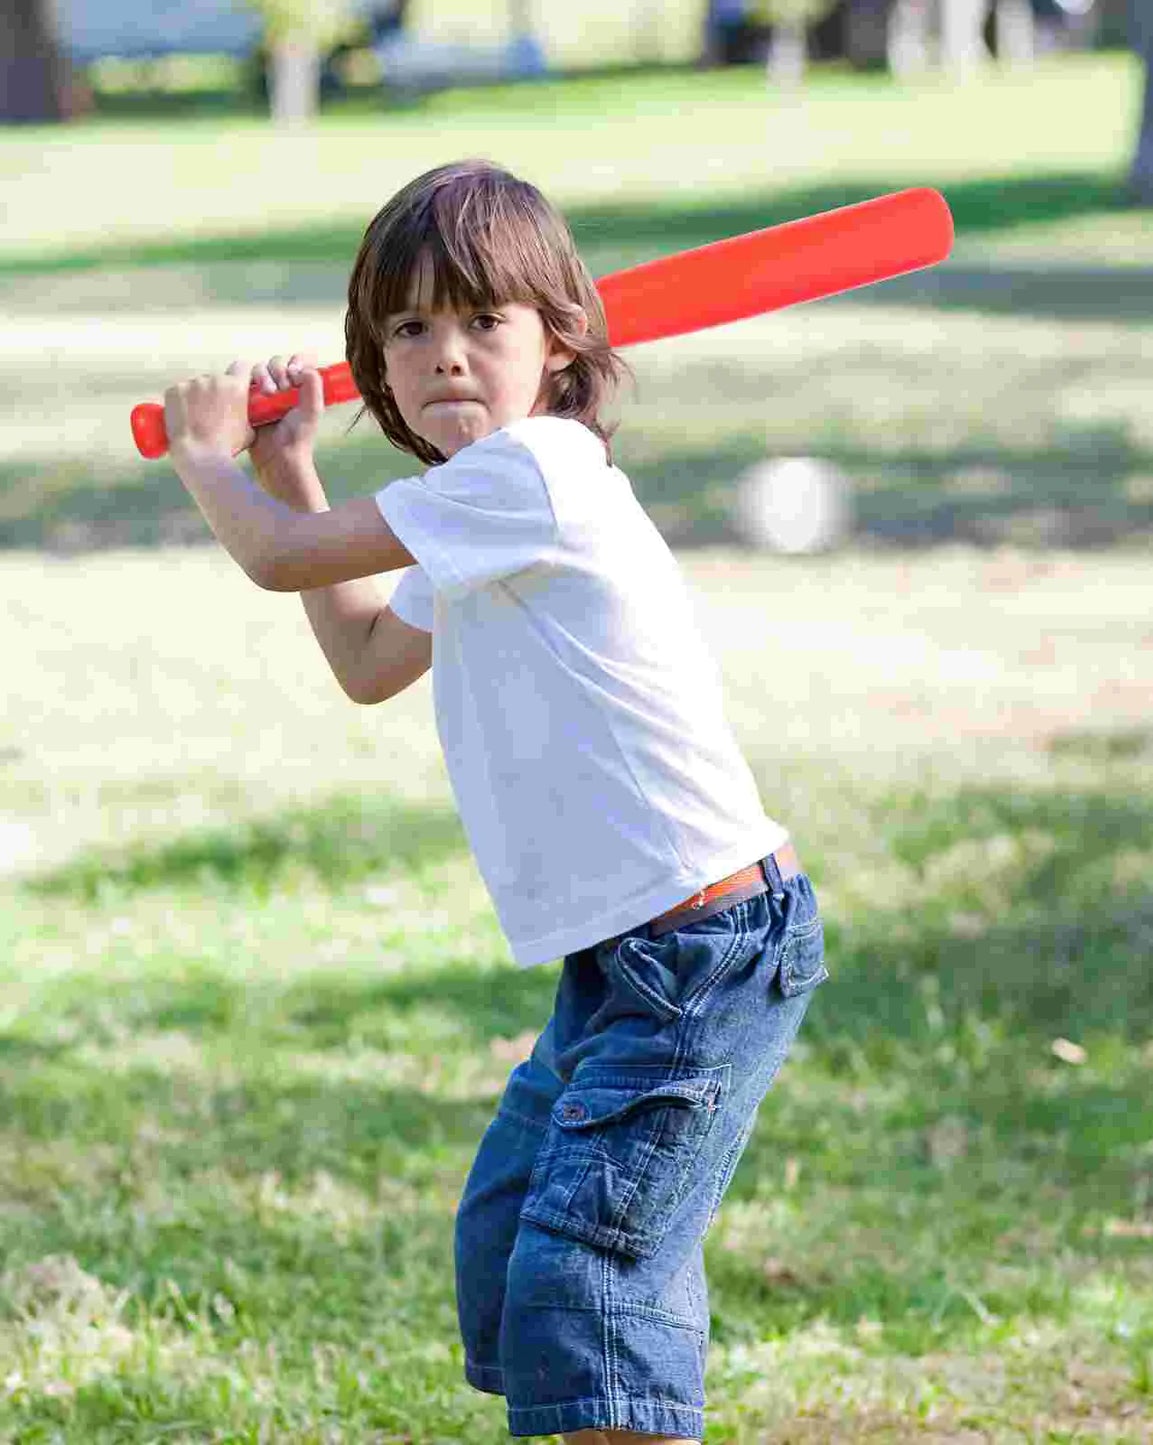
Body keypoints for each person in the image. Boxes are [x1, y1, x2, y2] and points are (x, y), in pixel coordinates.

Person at [162, 159, 829, 1443]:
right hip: (623, 957)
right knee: (515, 1241)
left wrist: (210, 462)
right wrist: (289, 467)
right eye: (409, 329)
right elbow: (363, 659)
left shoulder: (537, 473)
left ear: (558, 343)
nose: (446, 356)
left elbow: (277, 561)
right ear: (376, 362)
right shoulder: (474, 513)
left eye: (484, 322)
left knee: (584, 1283)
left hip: (702, 948)